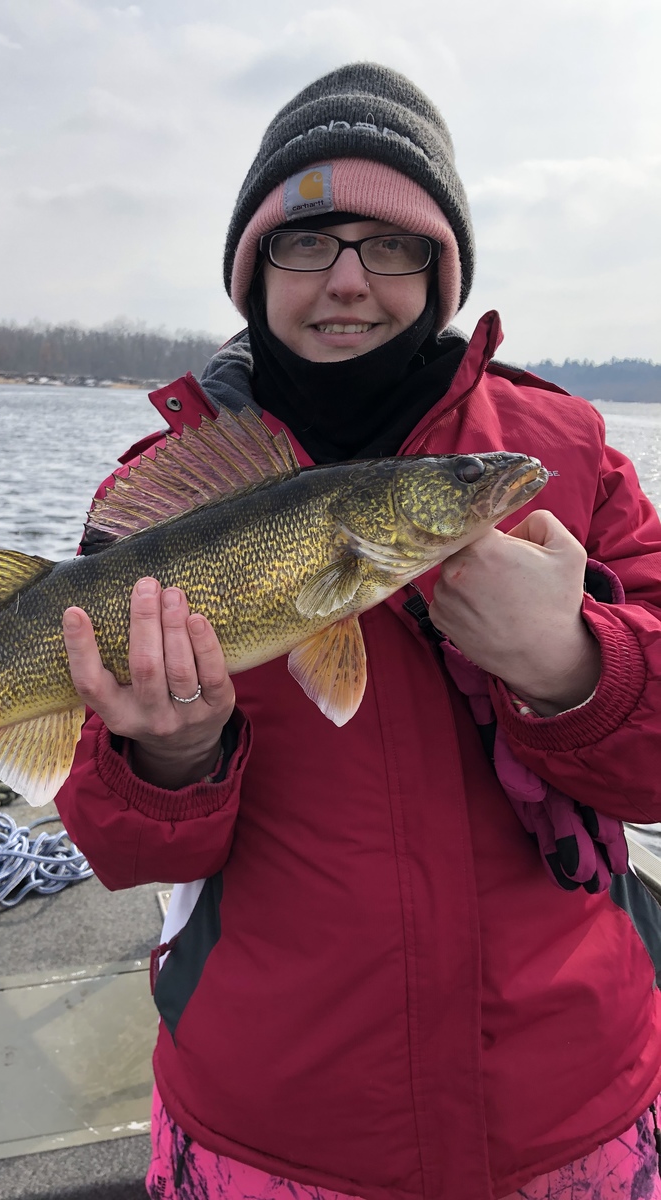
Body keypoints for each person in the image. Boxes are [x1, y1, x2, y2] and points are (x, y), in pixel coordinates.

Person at [56, 63, 661, 1200]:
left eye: (390, 246)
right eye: (307, 241)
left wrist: (574, 665)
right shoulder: (160, 501)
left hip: (573, 1110)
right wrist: (168, 757)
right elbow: (121, 849)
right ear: (251, 271)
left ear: (441, 271)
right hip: (270, 1126)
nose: (347, 281)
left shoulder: (569, 455)